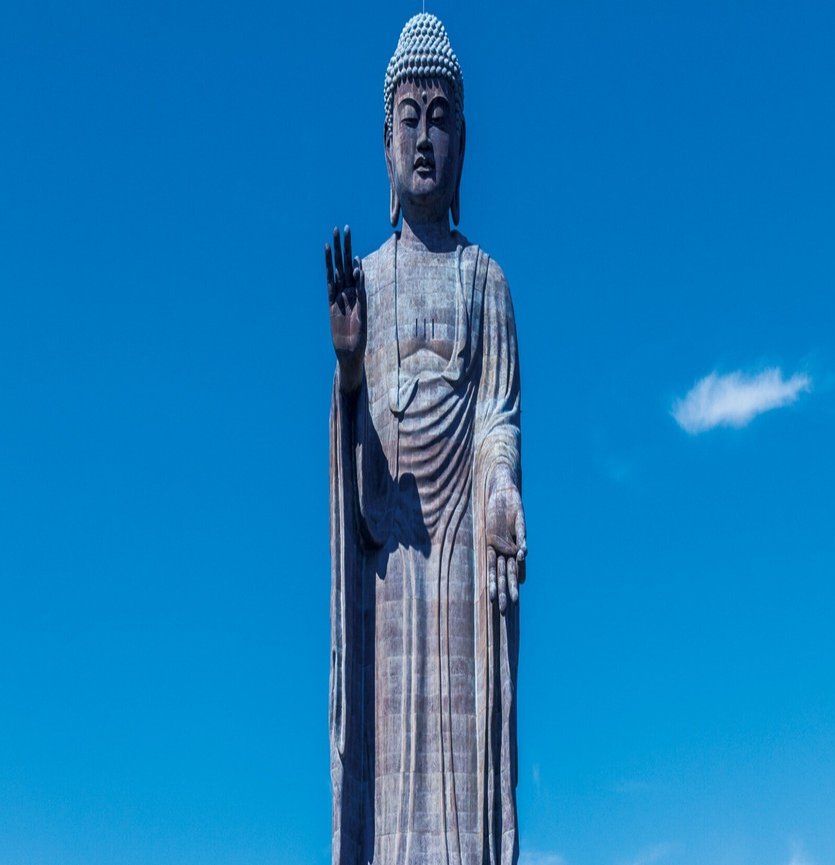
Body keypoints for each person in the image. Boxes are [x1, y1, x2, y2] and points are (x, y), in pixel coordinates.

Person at [325, 14, 527, 865]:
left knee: (463, 763)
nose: (422, 139)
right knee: (390, 762)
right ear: (384, 142)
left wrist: (501, 486)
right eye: (407, 119)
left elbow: (496, 416)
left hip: (460, 560)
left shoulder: (486, 282)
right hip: (391, 561)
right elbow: (356, 456)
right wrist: (348, 367)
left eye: (439, 120)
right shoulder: (366, 283)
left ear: (462, 143)